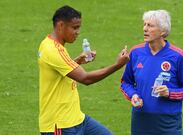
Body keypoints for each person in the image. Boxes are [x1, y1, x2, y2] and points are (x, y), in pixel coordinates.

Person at [38, 5, 129, 135]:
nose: (78, 32)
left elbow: (60, 71)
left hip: (77, 119)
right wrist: (117, 65)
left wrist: (76, 62)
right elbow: (86, 79)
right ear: (60, 25)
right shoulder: (53, 50)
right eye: (74, 27)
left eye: (79, 27)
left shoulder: (49, 44)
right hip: (59, 125)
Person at [120, 9, 183, 135]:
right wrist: (133, 95)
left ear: (163, 31)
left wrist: (170, 93)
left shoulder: (178, 56)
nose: (145, 29)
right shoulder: (136, 52)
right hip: (141, 120)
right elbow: (125, 82)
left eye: (150, 26)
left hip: (168, 122)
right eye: (144, 24)